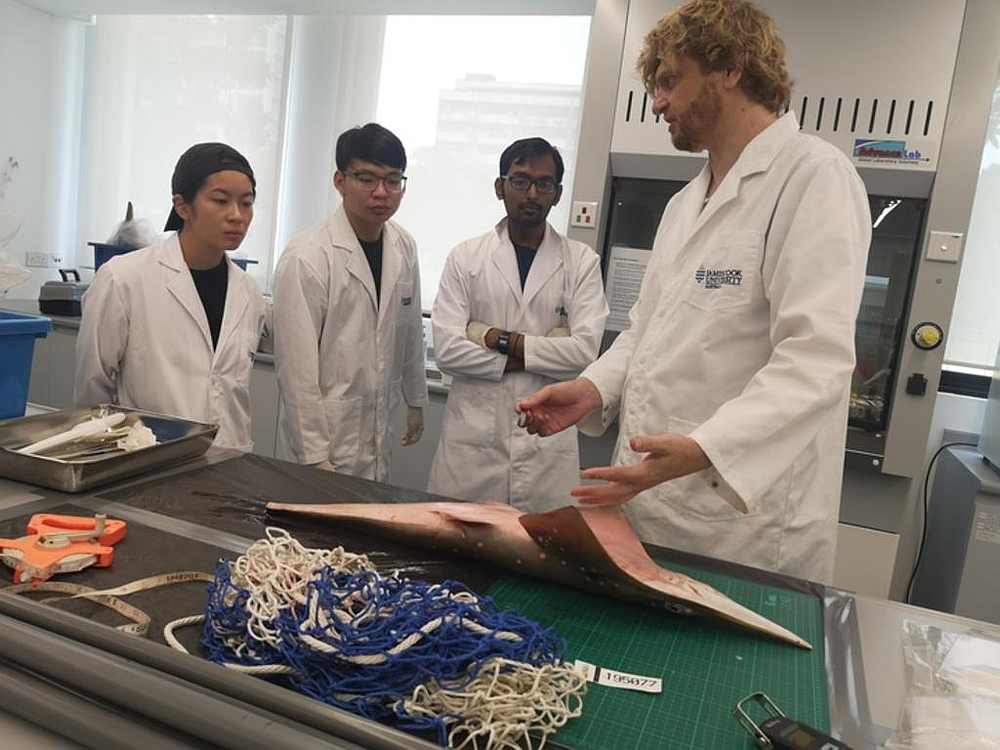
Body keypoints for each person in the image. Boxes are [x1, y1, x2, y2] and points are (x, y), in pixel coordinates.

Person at [517, 0, 872, 583]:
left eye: (668, 81)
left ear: (729, 67)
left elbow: (816, 359)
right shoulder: (685, 203)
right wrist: (592, 388)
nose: (657, 102)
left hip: (740, 525)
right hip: (652, 502)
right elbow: (647, 330)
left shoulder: (813, 179)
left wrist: (704, 447)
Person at [428, 138, 608, 511]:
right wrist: (544, 349)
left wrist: (490, 337)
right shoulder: (466, 258)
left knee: (540, 558)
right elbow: (446, 350)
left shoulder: (581, 262)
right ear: (500, 187)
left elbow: (583, 353)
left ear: (557, 194)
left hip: (546, 454)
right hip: (473, 451)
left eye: (544, 184)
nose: (531, 193)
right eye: (520, 180)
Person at [75, 142, 267, 451]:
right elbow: (92, 389)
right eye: (220, 201)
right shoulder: (123, 279)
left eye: (246, 203)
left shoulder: (248, 292)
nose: (237, 216)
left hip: (231, 460)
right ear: (182, 207)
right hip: (146, 459)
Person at [272, 123, 427, 481]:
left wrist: (416, 398)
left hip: (374, 433)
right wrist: (314, 456)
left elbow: (409, 329)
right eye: (367, 179)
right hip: (322, 440)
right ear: (340, 181)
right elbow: (297, 373)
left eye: (393, 180)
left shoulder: (403, 246)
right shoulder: (308, 257)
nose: (381, 193)